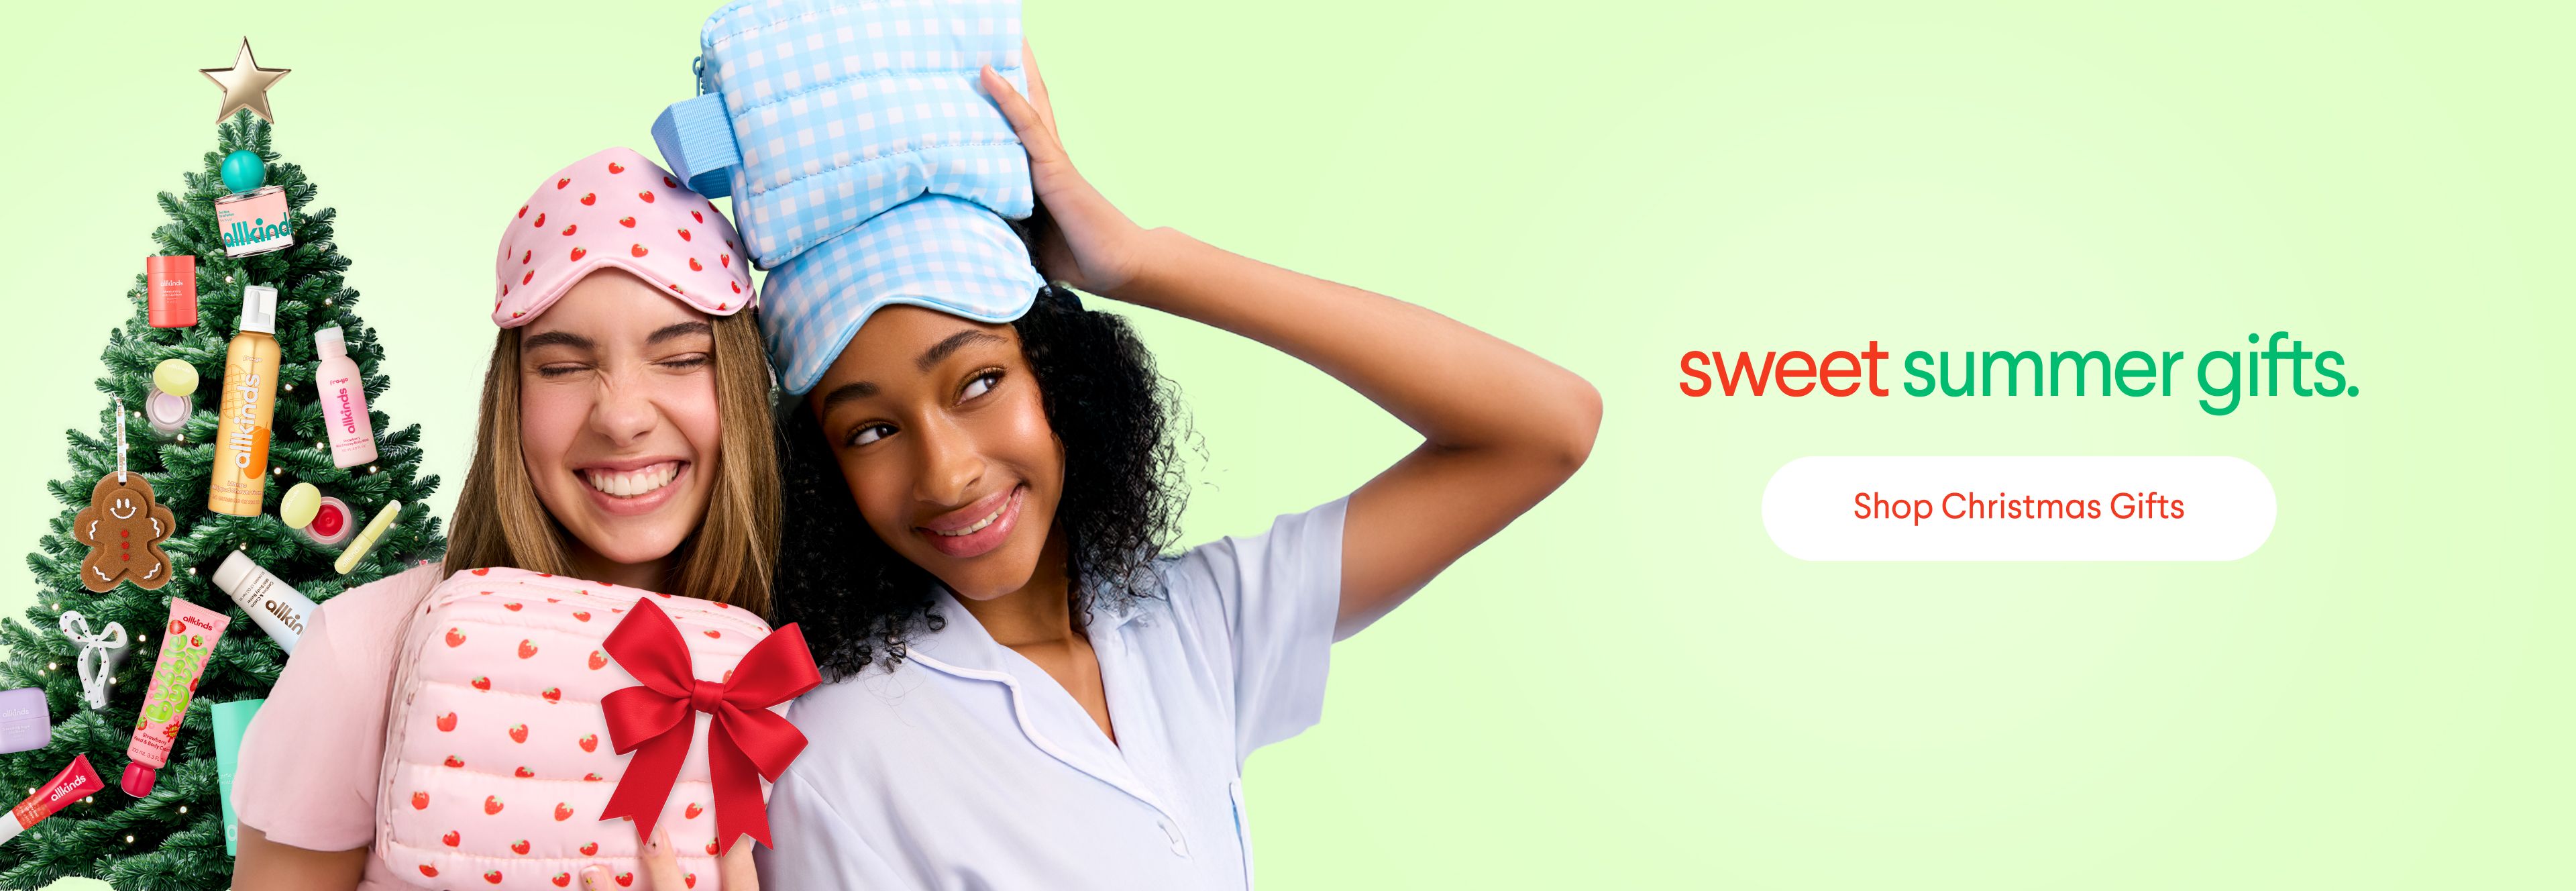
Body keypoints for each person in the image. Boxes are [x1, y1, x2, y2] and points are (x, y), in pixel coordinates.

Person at [751, 39, 1602, 888]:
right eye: (869, 432)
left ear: (1060, 373)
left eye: (978, 381)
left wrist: (1140, 261)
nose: (946, 474)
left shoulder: (1189, 624)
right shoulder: (835, 758)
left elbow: (1546, 427)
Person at [229, 148, 772, 891]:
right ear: (509, 395)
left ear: (742, 384)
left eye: (679, 358)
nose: (620, 416)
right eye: (563, 366)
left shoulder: (800, 661)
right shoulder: (363, 655)